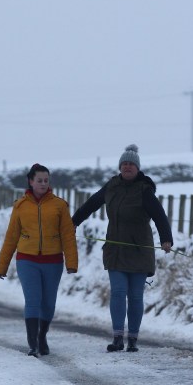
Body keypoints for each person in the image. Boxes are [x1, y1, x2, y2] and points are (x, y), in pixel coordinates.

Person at [72, 144, 173, 352]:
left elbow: (159, 215)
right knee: (118, 292)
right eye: (124, 164)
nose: (127, 167)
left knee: (135, 296)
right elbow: (91, 204)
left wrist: (166, 239)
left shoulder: (144, 190)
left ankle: (133, 339)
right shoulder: (111, 186)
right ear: (120, 167)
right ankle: (117, 337)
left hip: (139, 250)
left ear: (137, 168)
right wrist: (73, 222)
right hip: (115, 249)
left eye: (131, 164)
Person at [0, 163, 78, 357]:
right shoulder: (20, 206)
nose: (43, 183)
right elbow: (11, 237)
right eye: (39, 180)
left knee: (48, 303)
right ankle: (32, 344)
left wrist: (71, 263)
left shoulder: (60, 205)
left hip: (53, 261)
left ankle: (42, 336)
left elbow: (68, 235)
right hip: (27, 260)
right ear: (30, 181)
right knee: (33, 301)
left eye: (46, 180)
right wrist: (2, 266)